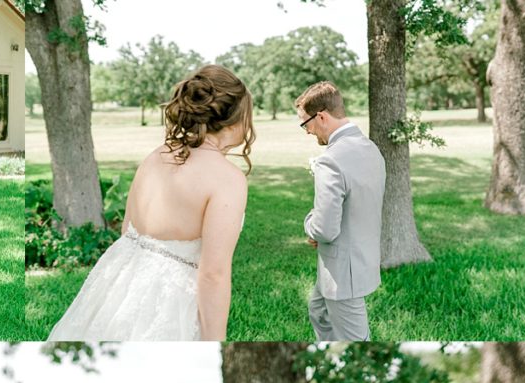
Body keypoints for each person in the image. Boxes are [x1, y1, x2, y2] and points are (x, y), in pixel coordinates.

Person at [46, 65, 252, 342]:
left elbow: (128, 229)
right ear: (235, 121)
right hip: (169, 299)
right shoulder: (228, 179)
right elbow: (213, 274)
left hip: (118, 281)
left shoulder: (157, 155)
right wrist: (215, 340)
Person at [297, 80, 386, 342]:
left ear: (321, 116)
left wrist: (310, 224)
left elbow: (324, 229)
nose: (307, 131)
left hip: (343, 271)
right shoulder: (371, 149)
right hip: (362, 256)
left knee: (355, 342)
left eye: (306, 123)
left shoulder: (330, 160)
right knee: (319, 311)